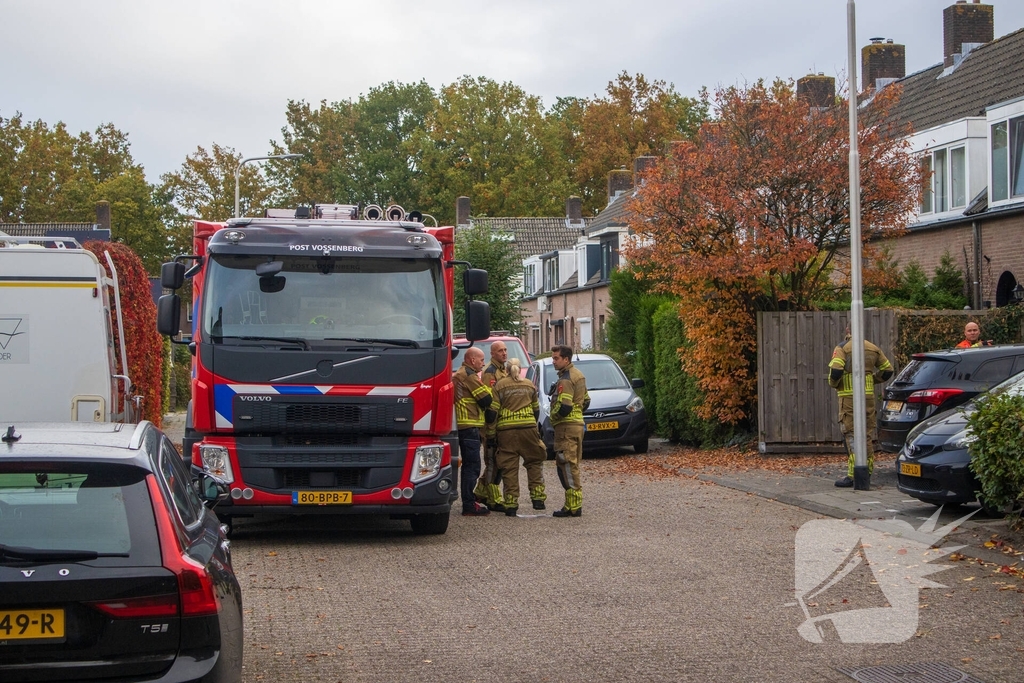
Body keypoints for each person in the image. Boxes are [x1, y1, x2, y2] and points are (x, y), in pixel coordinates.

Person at [828, 327, 894, 488]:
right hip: (868, 397)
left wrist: (834, 384)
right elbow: (888, 370)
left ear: (847, 330)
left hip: (849, 399)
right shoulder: (873, 348)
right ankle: (867, 471)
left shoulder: (843, 347)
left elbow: (836, 370)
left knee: (851, 434)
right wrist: (872, 379)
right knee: (866, 434)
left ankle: (853, 474)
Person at [491, 360, 547, 516]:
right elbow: (536, 410)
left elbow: (493, 412)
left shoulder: (500, 385)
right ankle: (538, 500)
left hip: (506, 432)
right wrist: (532, 425)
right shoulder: (529, 384)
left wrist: (491, 434)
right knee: (534, 462)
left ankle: (511, 504)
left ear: (507, 370)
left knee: (509, 467)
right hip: (528, 429)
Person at [549, 345, 590, 517]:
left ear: (566, 359)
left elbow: (565, 407)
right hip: (577, 425)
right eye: (553, 358)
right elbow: (586, 401)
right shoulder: (578, 375)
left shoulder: (565, 379)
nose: (553, 361)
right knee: (572, 463)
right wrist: (577, 414)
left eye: (556, 358)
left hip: (566, 426)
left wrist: (553, 418)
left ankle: (573, 506)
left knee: (566, 464)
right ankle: (573, 503)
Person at [452, 347, 493, 516]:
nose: (484, 364)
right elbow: (486, 399)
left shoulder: (462, 373)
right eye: (482, 360)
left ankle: (468, 502)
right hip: (468, 426)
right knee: (472, 466)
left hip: (464, 426)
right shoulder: (468, 375)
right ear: (472, 360)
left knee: (469, 465)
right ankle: (469, 505)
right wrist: (490, 388)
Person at [474, 341, 508, 511]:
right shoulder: (490, 372)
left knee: (497, 461)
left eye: (505, 350)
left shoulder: (503, 369)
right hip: (492, 424)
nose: (504, 353)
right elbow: (491, 402)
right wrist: (490, 430)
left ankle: (481, 492)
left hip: (501, 423)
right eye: (500, 351)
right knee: (494, 462)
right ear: (492, 354)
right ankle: (492, 499)